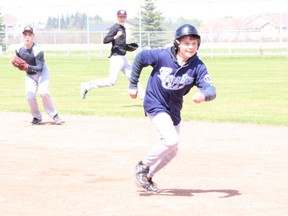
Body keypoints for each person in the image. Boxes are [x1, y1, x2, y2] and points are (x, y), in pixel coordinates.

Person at [128, 24, 216, 192]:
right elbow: (140, 57)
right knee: (171, 139)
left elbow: (211, 89)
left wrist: (204, 95)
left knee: (172, 151)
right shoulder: (162, 55)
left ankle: (146, 177)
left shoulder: (198, 66)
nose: (191, 46)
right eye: (186, 43)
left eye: (194, 43)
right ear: (177, 44)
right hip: (155, 102)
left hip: (174, 108)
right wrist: (133, 84)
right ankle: (142, 165)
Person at [80, 9, 145, 100]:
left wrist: (126, 47)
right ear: (117, 17)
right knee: (111, 81)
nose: (122, 18)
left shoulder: (122, 28)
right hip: (116, 58)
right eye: (120, 17)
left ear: (126, 17)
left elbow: (118, 43)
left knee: (133, 79)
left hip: (123, 58)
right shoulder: (115, 27)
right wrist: (115, 36)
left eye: (123, 17)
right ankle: (87, 86)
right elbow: (105, 40)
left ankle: (145, 99)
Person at [13, 26, 65, 125]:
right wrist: (19, 65)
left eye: (29, 35)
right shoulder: (19, 49)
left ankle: (55, 115)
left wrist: (26, 67)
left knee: (44, 92)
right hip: (30, 75)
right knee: (29, 96)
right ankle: (37, 117)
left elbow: (40, 67)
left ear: (33, 37)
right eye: (25, 35)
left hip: (42, 72)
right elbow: (19, 61)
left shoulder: (37, 49)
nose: (27, 37)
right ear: (23, 36)